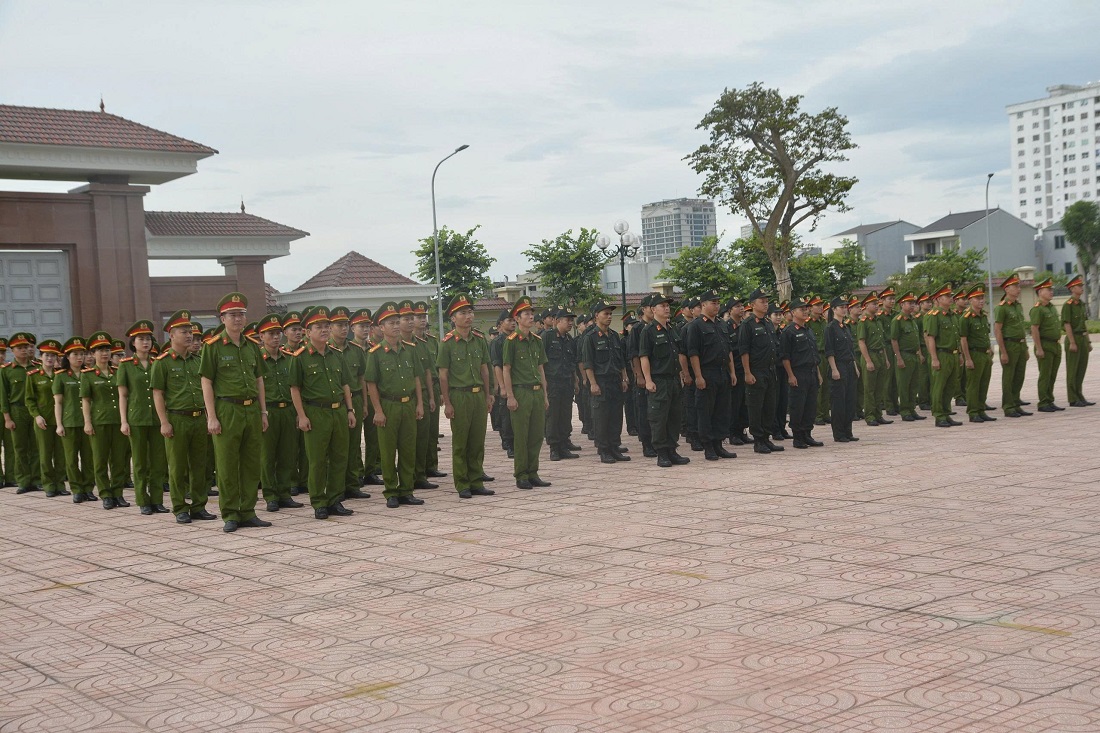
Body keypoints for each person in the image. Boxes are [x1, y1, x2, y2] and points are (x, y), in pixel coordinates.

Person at [200, 292, 271, 533]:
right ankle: (230, 513)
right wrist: (211, 416)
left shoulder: (252, 346)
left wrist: (263, 412)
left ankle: (248, 511)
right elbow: (206, 382)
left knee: (251, 463)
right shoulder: (213, 347)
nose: (238, 319)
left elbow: (259, 379)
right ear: (222, 318)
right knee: (228, 464)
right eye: (232, 315)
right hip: (227, 409)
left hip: (251, 409)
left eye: (241, 315)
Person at [290, 305, 356, 520]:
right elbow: (295, 389)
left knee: (339, 457)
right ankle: (319, 501)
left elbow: (345, 384)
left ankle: (335, 499)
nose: (324, 330)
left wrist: (350, 410)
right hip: (315, 412)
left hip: (338, 411)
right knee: (317, 460)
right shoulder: (300, 357)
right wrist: (301, 415)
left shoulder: (336, 355)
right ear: (308, 333)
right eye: (319, 327)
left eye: (327, 326)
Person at [152, 310, 216, 525]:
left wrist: (209, 417)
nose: (189, 336)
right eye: (183, 332)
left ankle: (199, 506)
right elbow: (158, 394)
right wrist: (164, 422)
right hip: (177, 419)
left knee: (199, 465)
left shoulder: (198, 360)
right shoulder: (162, 363)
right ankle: (179, 507)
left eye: (190, 332)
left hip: (199, 418)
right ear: (171, 335)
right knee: (178, 466)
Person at [365, 301, 426, 507]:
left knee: (408, 449)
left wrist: (419, 404)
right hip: (388, 406)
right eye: (390, 323)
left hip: (408, 404)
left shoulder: (410, 349)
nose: (396, 326)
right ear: (381, 328)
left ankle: (406, 490)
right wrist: (378, 411)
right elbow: (371, 384)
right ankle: (391, 491)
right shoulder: (375, 354)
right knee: (388, 451)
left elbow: (417, 378)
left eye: (397, 322)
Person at [436, 293, 495, 499]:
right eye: (463, 313)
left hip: (478, 396)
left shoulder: (479, 340)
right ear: (453, 318)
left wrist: (488, 394)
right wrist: (448, 402)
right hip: (459, 396)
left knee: (477, 441)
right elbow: (443, 375)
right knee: (461, 442)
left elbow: (485, 370)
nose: (468, 316)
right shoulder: (447, 343)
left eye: (470, 312)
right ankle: (462, 483)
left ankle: (476, 480)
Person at [117, 321, 169, 514]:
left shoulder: (158, 362)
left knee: (158, 461)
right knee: (139, 463)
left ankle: (157, 500)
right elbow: (123, 395)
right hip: (137, 418)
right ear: (133, 343)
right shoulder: (126, 365)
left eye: (148, 339)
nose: (145, 342)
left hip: (157, 419)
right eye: (141, 339)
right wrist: (123, 420)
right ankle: (143, 500)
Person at [502, 296, 551, 490]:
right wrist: (510, 396)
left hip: (537, 392)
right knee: (521, 436)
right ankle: (521, 474)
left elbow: (541, 369)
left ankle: (533, 472)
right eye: (527, 314)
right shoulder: (511, 342)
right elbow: (506, 369)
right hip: (520, 392)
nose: (531, 317)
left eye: (532, 314)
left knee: (537, 435)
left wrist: (545, 395)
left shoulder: (537, 341)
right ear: (517, 318)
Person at [257, 313, 303, 513]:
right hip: (269, 411)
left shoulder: (290, 358)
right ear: (261, 336)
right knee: (267, 456)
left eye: (277, 333)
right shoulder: (258, 359)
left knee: (287, 454)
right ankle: (270, 495)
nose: (276, 337)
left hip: (288, 410)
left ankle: (284, 493)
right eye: (271, 334)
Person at [638, 294, 690, 467]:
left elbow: (678, 354)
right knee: (659, 418)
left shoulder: (671, 328)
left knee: (674, 416)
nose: (667, 308)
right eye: (662, 306)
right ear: (653, 310)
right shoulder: (648, 331)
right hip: (658, 381)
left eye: (668, 305)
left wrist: (682, 374)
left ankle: (672, 449)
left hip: (673, 379)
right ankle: (661, 453)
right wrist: (648, 380)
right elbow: (644, 357)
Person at [685, 290, 736, 460]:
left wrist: (732, 372)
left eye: (718, 302)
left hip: (722, 372)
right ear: (703, 305)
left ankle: (718, 444)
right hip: (707, 372)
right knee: (706, 411)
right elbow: (693, 354)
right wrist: (698, 376)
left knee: (722, 410)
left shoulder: (722, 324)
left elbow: (728, 350)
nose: (716, 305)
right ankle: (708, 446)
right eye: (713, 302)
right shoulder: (696, 326)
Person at [81, 331, 129, 508]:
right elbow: (86, 400)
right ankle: (105, 494)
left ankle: (118, 493)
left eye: (107, 349)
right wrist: (87, 422)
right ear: (93, 354)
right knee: (100, 460)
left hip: (118, 421)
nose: (104, 353)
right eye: (100, 350)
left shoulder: (118, 371)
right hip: (99, 421)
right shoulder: (88, 375)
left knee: (118, 460)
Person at [328, 306, 371, 501]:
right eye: (339, 325)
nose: (344, 329)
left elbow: (362, 378)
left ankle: (352, 484)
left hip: (355, 397)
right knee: (336, 447)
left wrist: (364, 404)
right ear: (330, 327)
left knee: (354, 445)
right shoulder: (326, 350)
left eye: (346, 325)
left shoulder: (355, 350)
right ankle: (336, 486)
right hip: (335, 402)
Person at [582, 300, 630, 464]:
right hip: (600, 382)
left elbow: (621, 360)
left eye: (610, 314)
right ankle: (604, 450)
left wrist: (624, 377)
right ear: (597, 316)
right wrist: (593, 383)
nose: (609, 317)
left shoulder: (615, 336)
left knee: (616, 416)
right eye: (606, 314)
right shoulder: (590, 337)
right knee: (602, 417)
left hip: (615, 381)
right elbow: (588, 364)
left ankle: (615, 448)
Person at [738, 288, 784, 455]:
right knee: (756, 407)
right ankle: (758, 440)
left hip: (770, 371)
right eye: (762, 301)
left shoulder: (767, 323)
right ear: (752, 304)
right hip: (756, 371)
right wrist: (747, 372)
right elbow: (744, 351)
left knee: (769, 406)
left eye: (766, 301)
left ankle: (766, 437)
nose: (765, 304)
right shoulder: (747, 325)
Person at [398, 300, 438, 492]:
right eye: (408, 318)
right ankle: (406, 476)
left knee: (423, 437)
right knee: (406, 440)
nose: (412, 322)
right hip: (403, 397)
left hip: (421, 395)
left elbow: (428, 372)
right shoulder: (395, 344)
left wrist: (431, 397)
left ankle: (420, 475)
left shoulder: (422, 344)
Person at [53, 337, 94, 502]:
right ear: (67, 357)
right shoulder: (61, 376)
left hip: (88, 421)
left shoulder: (89, 374)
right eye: (75, 354)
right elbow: (58, 402)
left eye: (81, 354)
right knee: (71, 458)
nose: (79, 358)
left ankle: (88, 488)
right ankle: (77, 489)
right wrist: (59, 424)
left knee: (88, 457)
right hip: (70, 422)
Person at [26, 339, 67, 497]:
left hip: (60, 420)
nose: (50, 359)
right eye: (46, 355)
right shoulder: (34, 376)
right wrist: (36, 416)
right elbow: (29, 399)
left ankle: (60, 484)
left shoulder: (60, 375)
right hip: (43, 420)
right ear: (40, 357)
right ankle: (49, 485)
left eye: (53, 356)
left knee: (60, 454)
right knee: (45, 454)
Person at [780, 298, 823, 449]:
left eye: (806, 309)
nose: (805, 311)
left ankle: (807, 434)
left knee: (810, 406)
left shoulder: (808, 330)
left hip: (811, 372)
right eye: (801, 309)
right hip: (798, 372)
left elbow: (813, 355)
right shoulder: (788, 331)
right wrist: (791, 376)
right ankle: (798, 437)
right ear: (792, 312)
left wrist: (818, 373)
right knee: (798, 406)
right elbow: (785, 357)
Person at [1, 332, 41, 492]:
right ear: (12, 350)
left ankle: (37, 479)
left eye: (26, 347)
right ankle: (23, 481)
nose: (24, 350)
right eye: (19, 348)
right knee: (20, 448)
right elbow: (3, 396)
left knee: (36, 447)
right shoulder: (7, 371)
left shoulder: (37, 368)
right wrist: (7, 418)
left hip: (34, 411)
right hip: (17, 410)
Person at [414, 301, 447, 482]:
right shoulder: (409, 343)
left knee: (433, 430)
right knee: (420, 432)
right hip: (417, 389)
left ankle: (431, 465)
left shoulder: (433, 342)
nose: (422, 320)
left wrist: (440, 392)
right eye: (418, 317)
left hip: (433, 386)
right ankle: (418, 470)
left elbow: (438, 368)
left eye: (424, 316)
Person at [924, 284, 964, 427]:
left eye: (951, 296)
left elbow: (956, 337)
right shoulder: (934, 316)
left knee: (950, 386)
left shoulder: (953, 316)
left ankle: (947, 413)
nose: (951, 298)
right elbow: (930, 338)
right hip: (941, 354)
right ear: (939, 299)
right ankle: (939, 415)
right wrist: (934, 358)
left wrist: (959, 354)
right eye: (947, 296)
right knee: (939, 387)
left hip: (953, 354)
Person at [543, 305, 579, 461]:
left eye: (572, 320)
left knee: (565, 415)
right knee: (553, 415)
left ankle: (564, 445)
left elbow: (572, 363)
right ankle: (554, 447)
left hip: (567, 382)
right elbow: (541, 363)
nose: (570, 323)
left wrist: (576, 380)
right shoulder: (547, 337)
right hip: (552, 383)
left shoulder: (569, 339)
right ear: (557, 320)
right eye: (567, 320)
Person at [351, 308, 383, 485]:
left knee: (374, 437)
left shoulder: (375, 349)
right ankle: (357, 472)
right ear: (352, 328)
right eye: (360, 326)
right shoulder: (348, 350)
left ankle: (372, 470)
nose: (364, 329)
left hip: (374, 398)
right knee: (355, 439)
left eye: (367, 326)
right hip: (356, 397)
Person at [994, 274, 1031, 418]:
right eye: (1015, 286)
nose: (1018, 289)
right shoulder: (1001, 308)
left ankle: (1016, 403)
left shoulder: (1018, 306)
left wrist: (1026, 348)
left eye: (1019, 286)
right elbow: (997, 330)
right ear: (1007, 289)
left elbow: (1021, 328)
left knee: (1019, 376)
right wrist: (1003, 351)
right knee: (1009, 377)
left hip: (1020, 345)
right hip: (1009, 345)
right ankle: (1008, 406)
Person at [959, 285, 997, 423]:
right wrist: (967, 358)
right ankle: (973, 412)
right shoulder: (966, 318)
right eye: (978, 298)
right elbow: (963, 340)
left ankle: (981, 410)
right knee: (973, 385)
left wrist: (990, 349)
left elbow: (984, 335)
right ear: (970, 300)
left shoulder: (982, 316)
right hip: (974, 354)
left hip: (984, 354)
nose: (981, 301)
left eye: (982, 298)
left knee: (983, 383)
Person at [825, 296, 859, 443]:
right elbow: (829, 351)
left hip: (849, 365)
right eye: (841, 307)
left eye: (846, 307)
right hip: (838, 365)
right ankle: (839, 433)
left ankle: (848, 431)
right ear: (834, 309)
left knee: (850, 400)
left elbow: (851, 350)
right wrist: (834, 369)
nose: (844, 309)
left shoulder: (845, 327)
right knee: (839, 401)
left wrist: (855, 367)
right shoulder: (830, 328)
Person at [856, 292, 892, 427]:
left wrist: (886, 359)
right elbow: (861, 342)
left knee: (879, 387)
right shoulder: (863, 322)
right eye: (874, 304)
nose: (877, 306)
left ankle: (878, 414)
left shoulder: (878, 321)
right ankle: (870, 415)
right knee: (869, 388)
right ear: (866, 306)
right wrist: (868, 360)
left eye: (877, 304)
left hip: (880, 355)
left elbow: (881, 342)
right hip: (870, 355)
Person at [890, 292, 926, 422]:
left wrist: (919, 354)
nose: (912, 306)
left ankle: (912, 409)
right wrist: (898, 358)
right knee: (904, 385)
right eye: (909, 303)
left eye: (913, 303)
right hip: (904, 355)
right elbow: (894, 340)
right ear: (902, 305)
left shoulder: (913, 320)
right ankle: (905, 411)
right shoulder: (897, 321)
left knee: (914, 384)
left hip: (914, 355)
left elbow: (916, 339)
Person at [1030, 276, 1065, 412]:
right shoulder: (1037, 309)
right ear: (1040, 292)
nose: (1051, 292)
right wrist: (1039, 348)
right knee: (1045, 375)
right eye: (1048, 289)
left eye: (1052, 289)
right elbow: (1034, 329)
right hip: (1045, 345)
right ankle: (1043, 402)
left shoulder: (1051, 308)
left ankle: (1050, 400)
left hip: (1055, 345)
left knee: (1052, 375)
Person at [1062, 274, 1093, 407]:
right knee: (1073, 369)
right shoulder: (1067, 305)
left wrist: (1089, 341)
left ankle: (1079, 395)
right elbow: (1067, 324)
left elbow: (1083, 323)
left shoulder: (1081, 304)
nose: (1082, 288)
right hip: (1073, 338)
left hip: (1082, 338)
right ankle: (1073, 398)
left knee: (1081, 368)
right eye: (1079, 286)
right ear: (1072, 288)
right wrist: (1072, 342)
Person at [489, 309, 515, 458]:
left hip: (517, 382)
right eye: (509, 320)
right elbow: (496, 365)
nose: (512, 323)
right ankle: (508, 443)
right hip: (504, 383)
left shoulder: (516, 339)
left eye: (513, 320)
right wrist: (501, 386)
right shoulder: (498, 342)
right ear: (500, 324)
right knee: (506, 415)